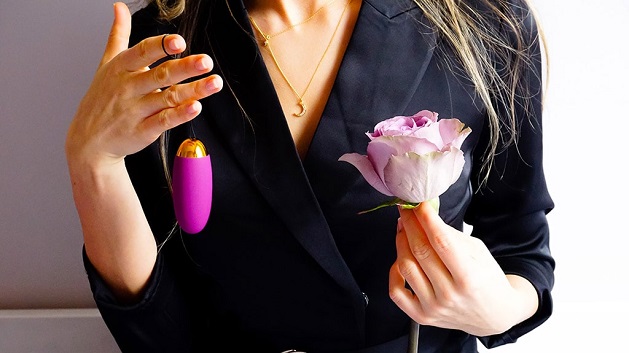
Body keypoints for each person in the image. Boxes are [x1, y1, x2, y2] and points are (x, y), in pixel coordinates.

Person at [65, 0, 555, 352]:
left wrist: (498, 312)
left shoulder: (486, 22)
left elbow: (521, 242)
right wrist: (93, 164)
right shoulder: (155, 53)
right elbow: (160, 329)